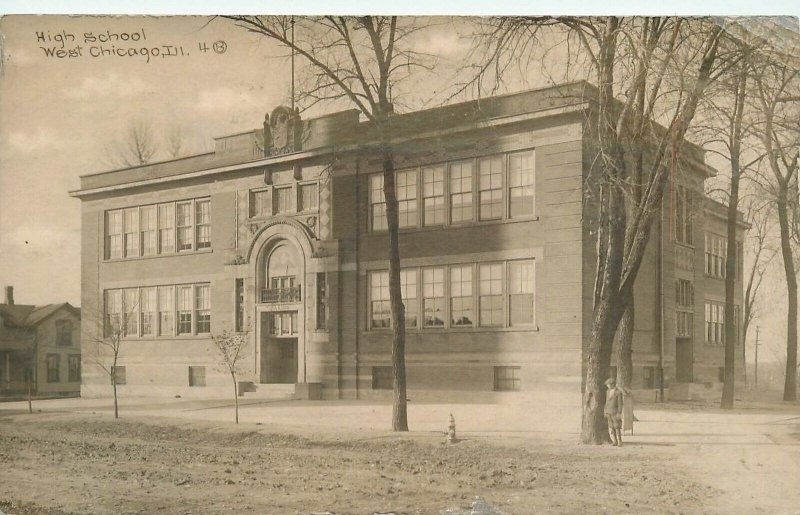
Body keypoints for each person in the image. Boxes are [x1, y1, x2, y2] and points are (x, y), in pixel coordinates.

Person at [604, 377, 624, 446]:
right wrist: (605, 411)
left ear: (612, 384)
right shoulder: (607, 391)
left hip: (615, 412)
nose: (607, 386)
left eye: (608, 384)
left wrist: (619, 412)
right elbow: (607, 402)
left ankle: (619, 441)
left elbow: (620, 403)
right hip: (608, 411)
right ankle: (614, 441)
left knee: (617, 426)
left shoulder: (618, 392)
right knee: (611, 427)